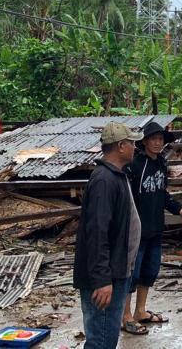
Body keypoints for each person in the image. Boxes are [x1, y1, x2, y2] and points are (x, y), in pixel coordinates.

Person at [73, 122, 143, 349]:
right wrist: (102, 280)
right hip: (106, 278)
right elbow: (97, 233)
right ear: (121, 146)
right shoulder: (104, 180)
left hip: (116, 271)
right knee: (101, 340)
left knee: (107, 338)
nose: (135, 147)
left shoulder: (116, 176)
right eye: (132, 143)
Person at [121, 122, 182, 335]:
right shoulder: (134, 165)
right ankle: (126, 316)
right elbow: (125, 196)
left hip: (155, 228)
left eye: (160, 139)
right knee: (131, 274)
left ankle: (141, 310)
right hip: (136, 230)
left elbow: (162, 192)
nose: (158, 143)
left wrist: (178, 208)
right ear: (144, 141)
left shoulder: (161, 163)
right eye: (154, 139)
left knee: (149, 271)